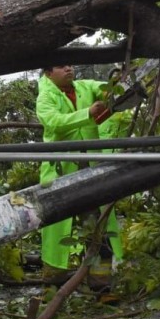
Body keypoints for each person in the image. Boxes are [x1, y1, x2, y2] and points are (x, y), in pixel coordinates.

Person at [35, 64, 128, 290]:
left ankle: (101, 286)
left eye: (70, 65)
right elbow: (54, 122)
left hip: (90, 172)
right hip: (60, 174)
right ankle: (52, 287)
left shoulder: (84, 87)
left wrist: (114, 86)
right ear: (48, 73)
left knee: (97, 227)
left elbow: (102, 89)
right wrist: (87, 113)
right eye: (61, 66)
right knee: (57, 230)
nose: (69, 69)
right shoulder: (45, 97)